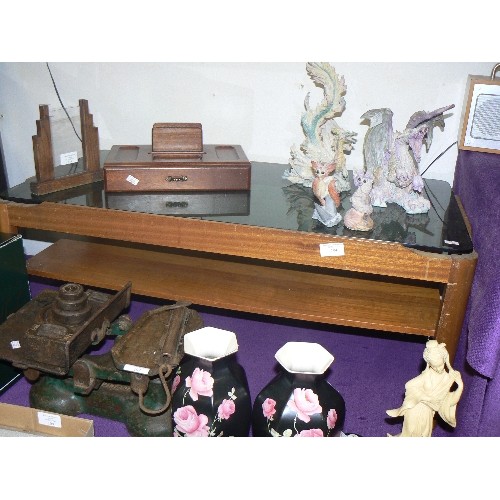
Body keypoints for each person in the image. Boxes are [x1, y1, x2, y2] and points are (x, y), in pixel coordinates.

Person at [386, 340, 463, 437]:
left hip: (427, 411)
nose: (438, 369)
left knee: (423, 433)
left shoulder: (448, 379)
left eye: (440, 365)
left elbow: (449, 401)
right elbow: (409, 385)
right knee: (409, 429)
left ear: (444, 360)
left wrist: (460, 386)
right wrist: (423, 396)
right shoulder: (426, 375)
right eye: (434, 366)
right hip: (416, 406)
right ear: (429, 364)